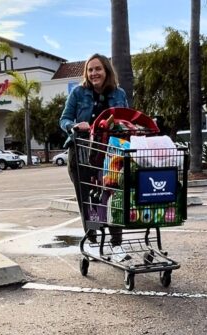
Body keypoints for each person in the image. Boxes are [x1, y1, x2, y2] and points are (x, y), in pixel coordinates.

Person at [59, 53, 128, 246]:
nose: (94, 73)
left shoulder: (119, 93)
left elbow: (127, 118)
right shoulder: (78, 93)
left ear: (106, 70)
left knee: (114, 195)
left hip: (111, 154)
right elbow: (63, 119)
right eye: (90, 70)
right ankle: (93, 240)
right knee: (87, 198)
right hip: (82, 153)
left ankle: (116, 243)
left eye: (98, 69)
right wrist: (74, 126)